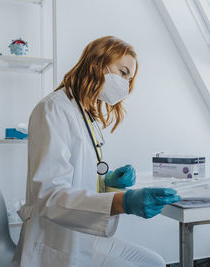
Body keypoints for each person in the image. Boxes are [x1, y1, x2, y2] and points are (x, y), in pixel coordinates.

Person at [12, 36, 181, 267]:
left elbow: (78, 175)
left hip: (82, 233)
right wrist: (124, 201)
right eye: (122, 73)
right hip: (55, 239)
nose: (125, 84)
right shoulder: (53, 109)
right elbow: (49, 196)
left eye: (129, 79)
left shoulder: (85, 114)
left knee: (155, 262)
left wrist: (108, 182)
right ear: (97, 62)